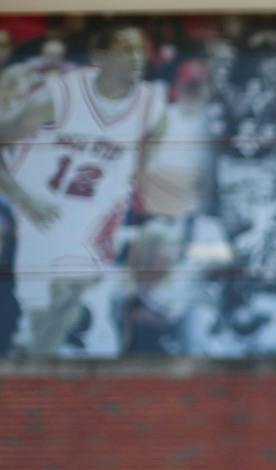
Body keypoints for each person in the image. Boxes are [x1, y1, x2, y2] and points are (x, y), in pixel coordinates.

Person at [0, 24, 168, 356]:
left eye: (139, 50)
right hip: (36, 215)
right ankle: (40, 356)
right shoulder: (60, 95)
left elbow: (139, 171)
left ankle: (41, 369)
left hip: (90, 221)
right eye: (125, 49)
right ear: (99, 57)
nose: (136, 57)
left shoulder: (152, 110)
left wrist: (114, 202)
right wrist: (23, 199)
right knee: (38, 315)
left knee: (67, 295)